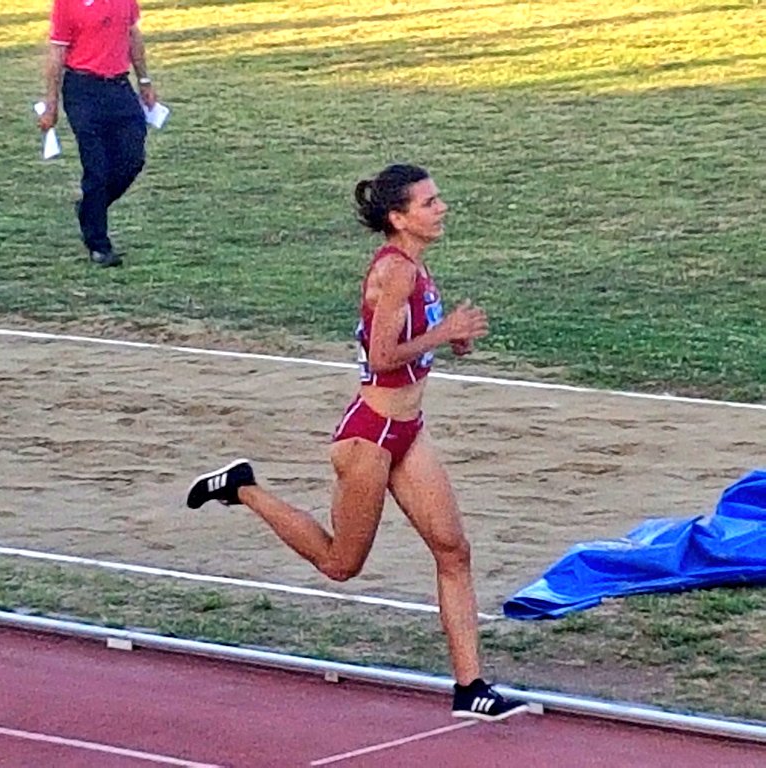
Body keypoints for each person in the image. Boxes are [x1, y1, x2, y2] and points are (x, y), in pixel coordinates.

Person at [186, 164, 529, 722]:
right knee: (341, 564)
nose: (441, 208)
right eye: (429, 203)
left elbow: (406, 345)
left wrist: (448, 340)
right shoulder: (395, 271)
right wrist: (443, 333)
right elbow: (381, 358)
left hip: (408, 433)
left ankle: (471, 687)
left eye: (438, 199)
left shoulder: (418, 266)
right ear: (399, 218)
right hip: (369, 438)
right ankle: (243, 487)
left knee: (453, 551)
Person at [38, 0, 158, 268]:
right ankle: (99, 245)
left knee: (132, 158)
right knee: (97, 167)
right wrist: (51, 104)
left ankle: (91, 209)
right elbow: (57, 52)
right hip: (83, 89)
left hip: (118, 85)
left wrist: (145, 80)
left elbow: (132, 34)